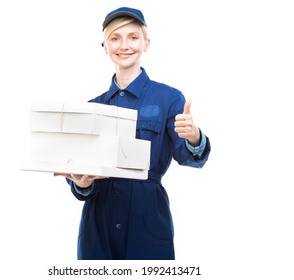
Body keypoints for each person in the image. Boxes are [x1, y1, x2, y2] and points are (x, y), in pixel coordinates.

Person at [55, 7, 211, 260]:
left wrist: (193, 135)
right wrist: (80, 183)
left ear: (146, 43)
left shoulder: (169, 98)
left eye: (133, 37)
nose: (124, 45)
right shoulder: (91, 107)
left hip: (147, 219)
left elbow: (189, 157)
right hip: (99, 223)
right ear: (104, 46)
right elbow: (80, 175)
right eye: (115, 38)